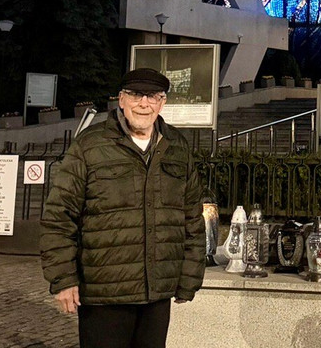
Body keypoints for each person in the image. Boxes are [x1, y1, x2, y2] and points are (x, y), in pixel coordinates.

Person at [41, 68, 205, 348]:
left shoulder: (177, 147)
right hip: (104, 292)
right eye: (136, 95)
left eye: (153, 96)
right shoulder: (89, 146)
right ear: (121, 100)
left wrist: (189, 276)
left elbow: (191, 217)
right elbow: (59, 217)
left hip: (156, 292)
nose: (144, 103)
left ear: (162, 103)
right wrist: (64, 278)